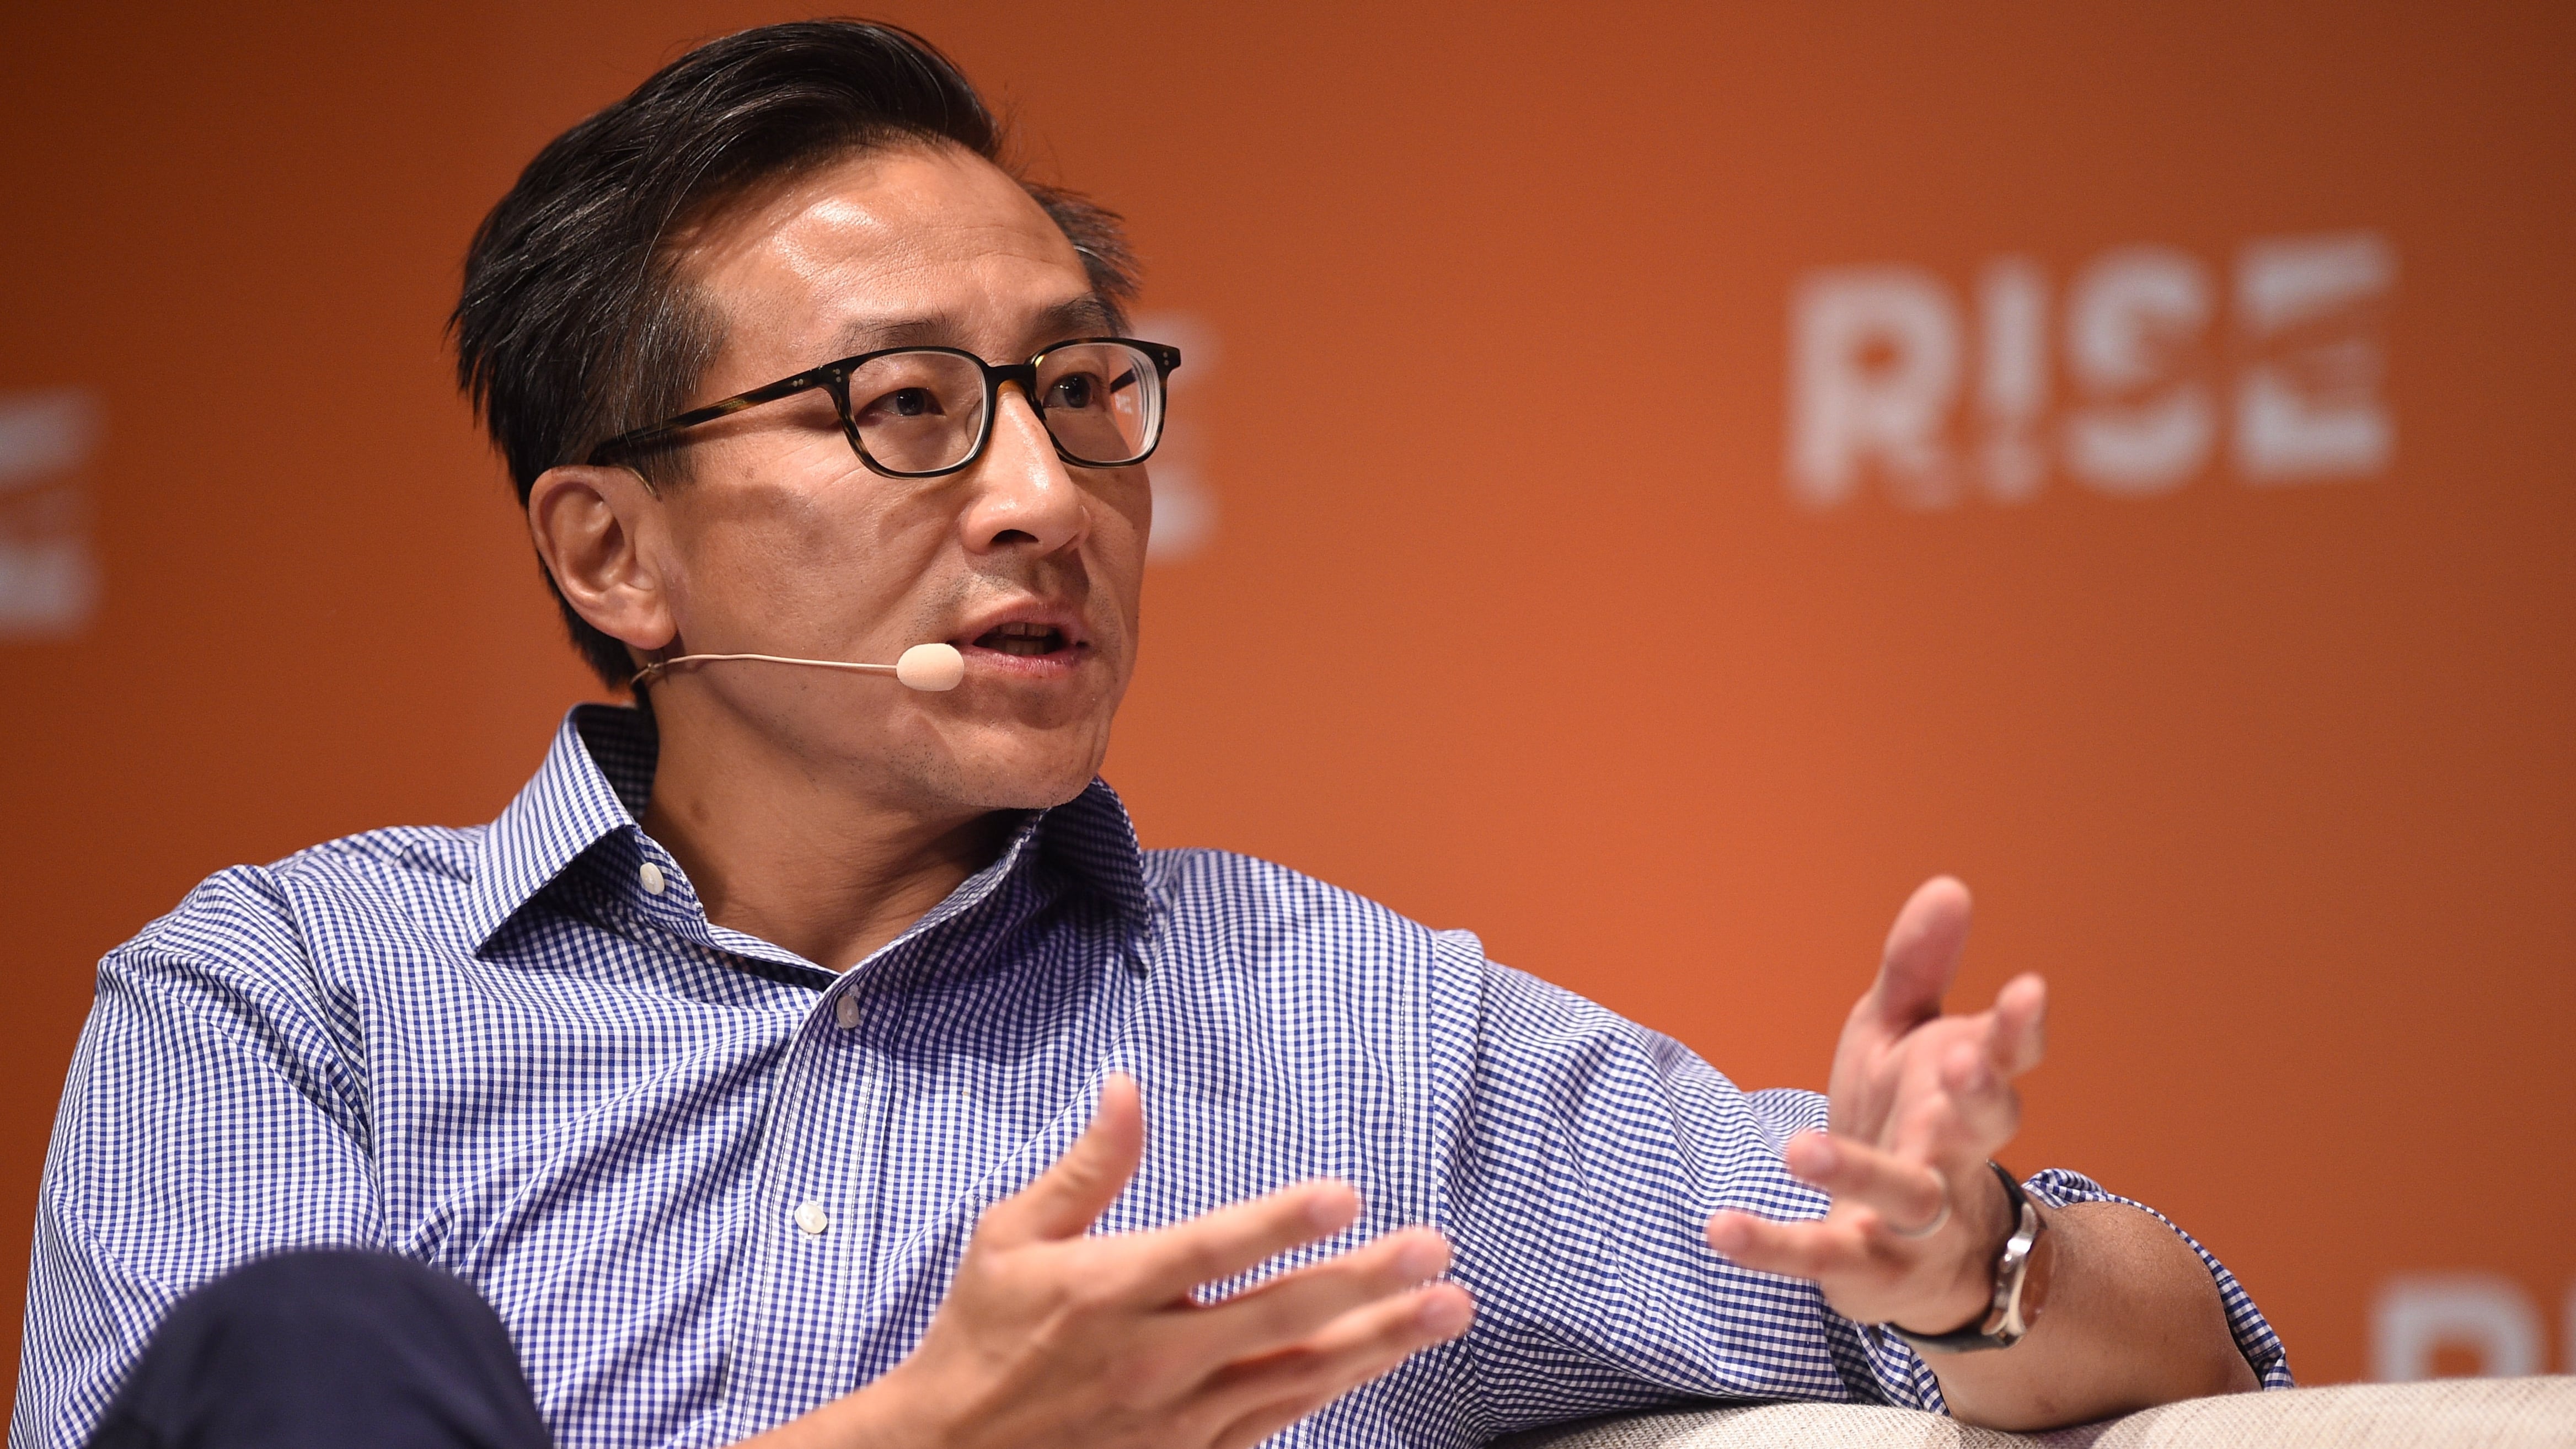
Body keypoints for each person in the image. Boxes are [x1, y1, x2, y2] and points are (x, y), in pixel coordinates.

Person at [12, 20, 2285, 1449]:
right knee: (325, 1339)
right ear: (616, 555)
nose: (1042, 493)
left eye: (1083, 391)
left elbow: (2187, 1349)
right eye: (906, 407)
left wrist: (1961, 1257)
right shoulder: (289, 1000)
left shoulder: (1346, 1034)